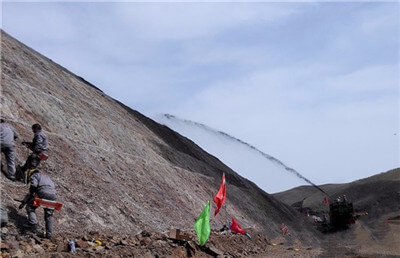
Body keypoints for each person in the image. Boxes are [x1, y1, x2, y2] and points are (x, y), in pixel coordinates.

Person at [19, 169, 57, 239]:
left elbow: (34, 185)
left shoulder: (35, 175)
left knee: (30, 207)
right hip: (53, 195)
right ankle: (49, 234)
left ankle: (33, 224)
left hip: (43, 192)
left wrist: (30, 194)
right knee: (49, 214)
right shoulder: (47, 177)